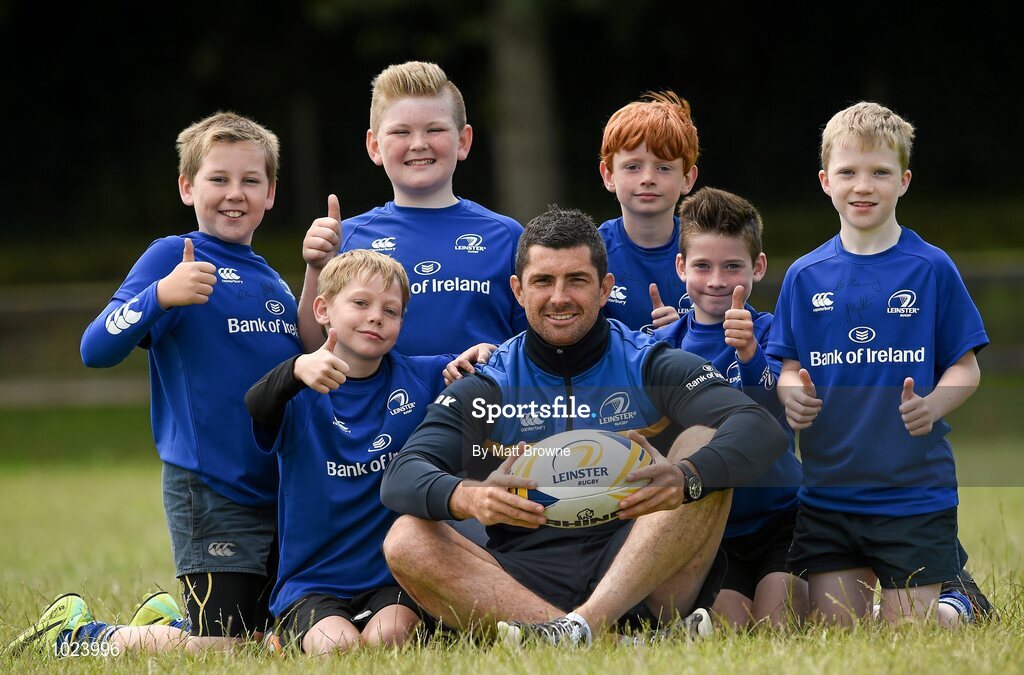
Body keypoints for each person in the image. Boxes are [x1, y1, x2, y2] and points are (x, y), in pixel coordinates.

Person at [379, 206, 788, 646]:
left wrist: (686, 478)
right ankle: (605, 639)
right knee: (405, 538)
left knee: (703, 444)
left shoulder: (647, 361)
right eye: (542, 281)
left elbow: (759, 427)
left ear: (604, 288)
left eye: (576, 280)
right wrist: (471, 497)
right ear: (518, 290)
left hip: (640, 566)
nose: (560, 297)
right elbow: (403, 474)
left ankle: (580, 630)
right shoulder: (490, 382)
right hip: (523, 573)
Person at [8, 112, 301, 656]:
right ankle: (77, 636)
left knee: (276, 639)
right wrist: (160, 297)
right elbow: (94, 348)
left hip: (275, 494)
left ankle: (165, 618)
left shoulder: (275, 284)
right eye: (218, 179)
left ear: (271, 193)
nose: (234, 194)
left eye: (250, 181)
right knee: (227, 650)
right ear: (187, 186)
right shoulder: (173, 256)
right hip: (209, 489)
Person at [767, 102, 991, 627]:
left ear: (904, 181)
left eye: (880, 173)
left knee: (907, 633)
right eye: (848, 172)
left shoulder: (931, 268)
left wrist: (935, 402)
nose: (862, 186)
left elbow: (967, 368)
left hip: (912, 495)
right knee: (835, 631)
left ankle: (962, 605)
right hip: (828, 495)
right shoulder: (804, 275)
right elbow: (788, 365)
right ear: (825, 180)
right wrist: (789, 394)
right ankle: (928, 591)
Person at [244, 250, 492, 655]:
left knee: (388, 640)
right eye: (361, 303)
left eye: (391, 311)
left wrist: (483, 351)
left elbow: (491, 366)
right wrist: (295, 369)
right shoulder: (299, 390)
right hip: (313, 582)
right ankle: (281, 637)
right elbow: (255, 403)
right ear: (322, 309)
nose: (376, 316)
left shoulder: (422, 376)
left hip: (392, 578)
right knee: (337, 648)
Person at [652, 187, 806, 628]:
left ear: (757, 267)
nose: (717, 280)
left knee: (777, 623)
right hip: (714, 530)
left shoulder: (774, 334)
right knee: (732, 629)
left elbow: (776, 422)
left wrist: (751, 355)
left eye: (732, 266)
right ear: (681, 267)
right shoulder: (661, 346)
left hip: (781, 518)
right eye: (702, 266)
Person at [297, 61, 526, 357]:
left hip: (483, 402)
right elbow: (315, 348)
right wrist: (316, 267)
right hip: (378, 405)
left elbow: (533, 347)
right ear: (375, 146)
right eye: (401, 132)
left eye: (434, 129)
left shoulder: (506, 235)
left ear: (463, 141)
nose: (418, 144)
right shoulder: (347, 237)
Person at [597, 91, 699, 333]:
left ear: (687, 178)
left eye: (664, 167)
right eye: (633, 167)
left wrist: (688, 334)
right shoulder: (591, 252)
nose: (648, 179)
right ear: (608, 175)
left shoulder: (708, 248)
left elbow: (734, 339)